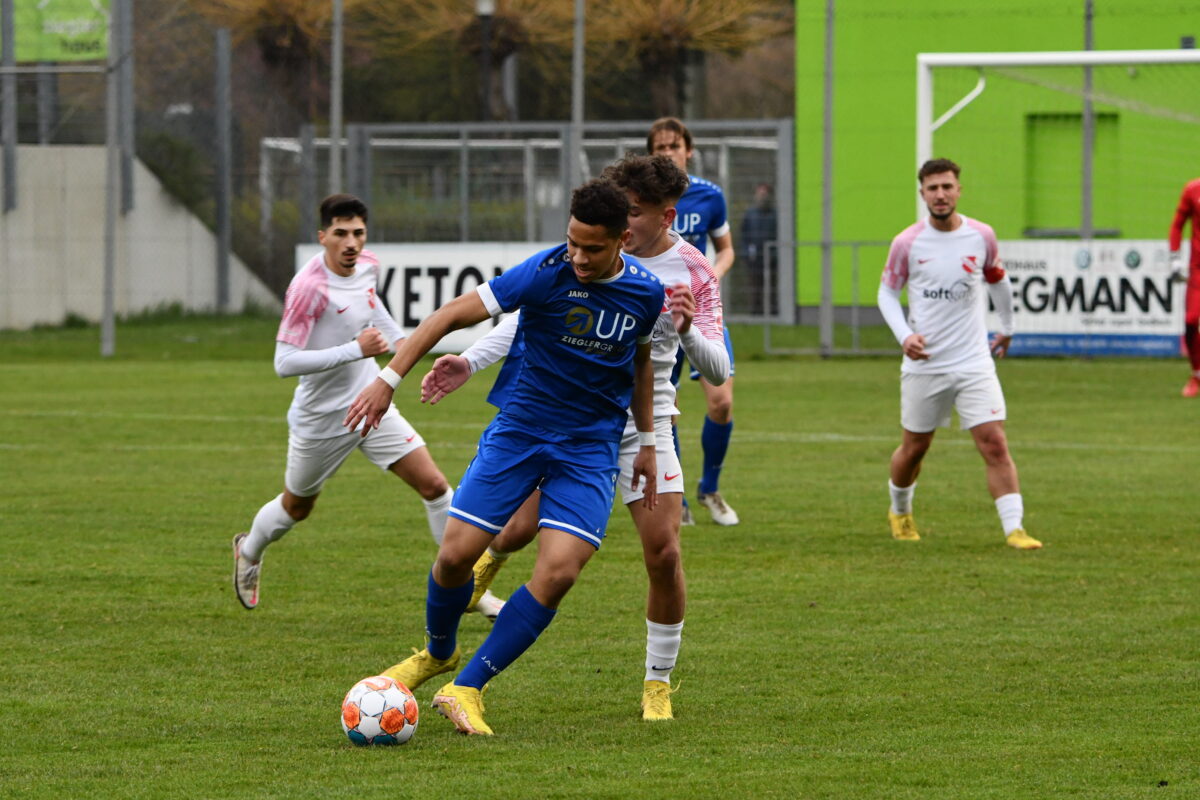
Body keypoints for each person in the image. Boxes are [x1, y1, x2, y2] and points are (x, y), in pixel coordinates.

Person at [343, 179, 666, 736]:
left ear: (622, 240)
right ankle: (438, 652)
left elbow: (639, 367)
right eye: (572, 243)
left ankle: (467, 685)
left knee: (560, 571)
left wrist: (649, 441)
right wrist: (389, 379)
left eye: (593, 248)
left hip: (589, 449)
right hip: (519, 432)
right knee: (454, 559)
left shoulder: (646, 292)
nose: (579, 258)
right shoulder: (544, 272)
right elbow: (448, 315)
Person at [424, 154, 730, 721]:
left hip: (645, 425)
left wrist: (686, 332)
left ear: (666, 217)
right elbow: (528, 317)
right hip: (567, 418)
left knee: (662, 553)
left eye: (635, 213)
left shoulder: (692, 273)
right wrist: (470, 360)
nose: (625, 223)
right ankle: (477, 583)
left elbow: (716, 369)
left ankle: (657, 682)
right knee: (513, 529)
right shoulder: (585, 254)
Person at [230, 193, 505, 617]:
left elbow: (374, 309)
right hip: (322, 417)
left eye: (357, 233)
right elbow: (284, 363)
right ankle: (248, 551)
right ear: (322, 237)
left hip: (371, 401)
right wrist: (354, 349)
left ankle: (466, 589)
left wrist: (403, 350)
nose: (350, 243)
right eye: (340, 234)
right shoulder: (308, 288)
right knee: (297, 506)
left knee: (434, 486)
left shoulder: (369, 266)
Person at [876, 159, 1042, 551]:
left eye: (947, 186)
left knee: (994, 442)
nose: (940, 195)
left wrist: (1008, 327)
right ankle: (899, 511)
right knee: (915, 447)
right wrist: (904, 336)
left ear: (958, 190)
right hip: (926, 363)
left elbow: (997, 281)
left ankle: (1014, 529)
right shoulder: (907, 243)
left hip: (973, 362)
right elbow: (886, 293)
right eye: (932, 188)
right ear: (922, 194)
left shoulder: (981, 236)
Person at [647, 117, 739, 527]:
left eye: (673, 146)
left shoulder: (709, 196)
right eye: (660, 147)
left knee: (721, 402)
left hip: (699, 311)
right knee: (668, 406)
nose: (667, 152)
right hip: (656, 318)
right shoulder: (641, 202)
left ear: (688, 150)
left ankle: (711, 488)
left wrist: (708, 280)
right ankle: (677, 496)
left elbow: (726, 250)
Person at [1167, 177, 1200, 397]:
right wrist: (1175, 259)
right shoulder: (1192, 189)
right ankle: (1197, 375)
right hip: (1198, 269)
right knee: (1190, 321)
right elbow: (1177, 225)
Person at [741, 183, 779, 316]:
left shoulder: (775, 215)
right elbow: (744, 235)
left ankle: (773, 312)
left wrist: (776, 254)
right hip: (754, 258)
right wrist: (747, 253)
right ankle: (755, 313)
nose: (762, 196)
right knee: (755, 287)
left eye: (765, 193)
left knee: (772, 287)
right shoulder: (750, 214)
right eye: (760, 193)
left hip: (772, 258)